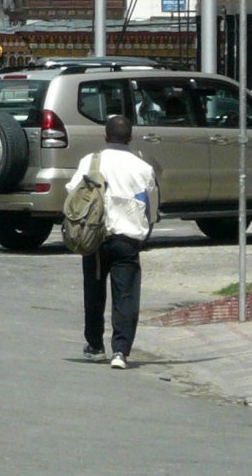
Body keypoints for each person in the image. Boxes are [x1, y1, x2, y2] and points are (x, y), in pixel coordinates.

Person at [76, 113, 160, 369]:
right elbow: (152, 207)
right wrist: (145, 233)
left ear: (105, 136)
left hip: (95, 236)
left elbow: (72, 192)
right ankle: (120, 351)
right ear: (131, 138)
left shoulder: (90, 161)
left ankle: (95, 346)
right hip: (127, 240)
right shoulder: (143, 168)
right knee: (126, 295)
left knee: (94, 291)